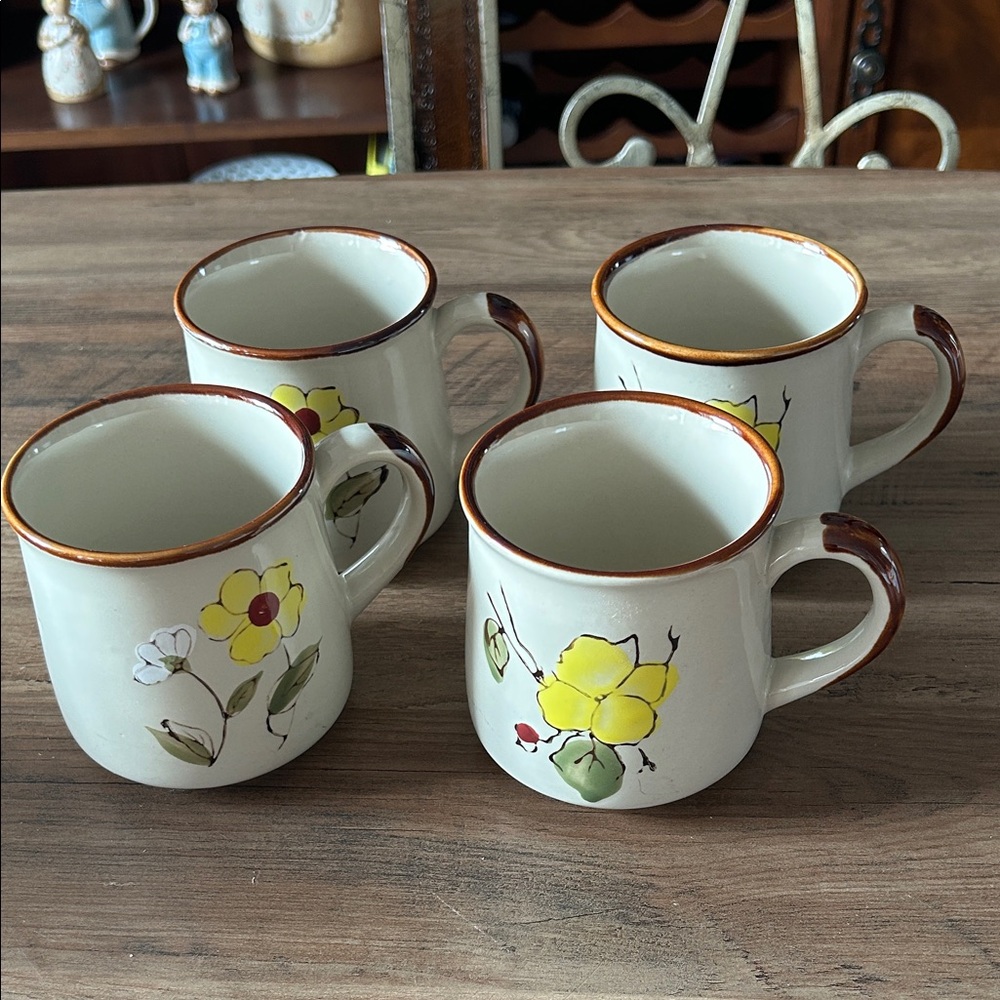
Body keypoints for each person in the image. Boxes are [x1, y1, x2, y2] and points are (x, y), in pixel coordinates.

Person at [38, 0, 105, 104]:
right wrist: (61, 40)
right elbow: (43, 43)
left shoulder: (73, 20)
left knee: (84, 70)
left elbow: (84, 34)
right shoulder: (48, 24)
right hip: (58, 59)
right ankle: (64, 91)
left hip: (79, 56)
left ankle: (89, 88)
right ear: (49, 7)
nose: (64, 7)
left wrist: (81, 38)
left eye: (67, 5)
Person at [178, 0, 239, 96]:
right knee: (195, 67)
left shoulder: (214, 19)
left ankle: (215, 84)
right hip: (193, 52)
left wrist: (215, 39)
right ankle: (197, 81)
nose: (192, 6)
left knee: (215, 67)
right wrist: (185, 35)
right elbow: (181, 34)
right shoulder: (188, 20)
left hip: (213, 52)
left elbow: (224, 32)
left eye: (196, 3)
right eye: (188, 3)